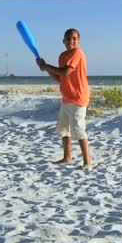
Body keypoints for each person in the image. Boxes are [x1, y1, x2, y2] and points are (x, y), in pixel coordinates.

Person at [36, 28, 92, 168]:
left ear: (79, 41)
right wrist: (46, 68)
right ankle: (67, 157)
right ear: (63, 41)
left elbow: (66, 71)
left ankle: (87, 162)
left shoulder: (77, 52)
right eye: (68, 38)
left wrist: (46, 66)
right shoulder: (62, 56)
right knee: (64, 129)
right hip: (67, 97)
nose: (71, 41)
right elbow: (60, 78)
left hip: (79, 97)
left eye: (74, 38)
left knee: (78, 129)